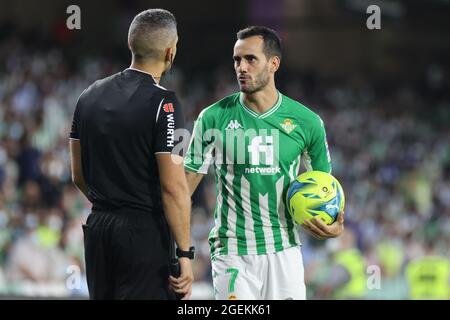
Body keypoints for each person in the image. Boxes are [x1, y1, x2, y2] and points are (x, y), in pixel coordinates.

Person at [184, 26, 344, 300]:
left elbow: (325, 188)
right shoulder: (212, 118)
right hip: (233, 252)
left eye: (250, 59)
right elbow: (182, 189)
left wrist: (336, 224)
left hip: (285, 252)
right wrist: (181, 250)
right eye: (237, 60)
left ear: (274, 63)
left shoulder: (307, 122)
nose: (241, 67)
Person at [69, 9, 193, 300]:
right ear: (170, 51)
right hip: (142, 234)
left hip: (98, 229)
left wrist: (111, 200)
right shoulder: (166, 104)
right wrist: (186, 253)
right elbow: (173, 187)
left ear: (130, 45)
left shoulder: (87, 96)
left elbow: (78, 175)